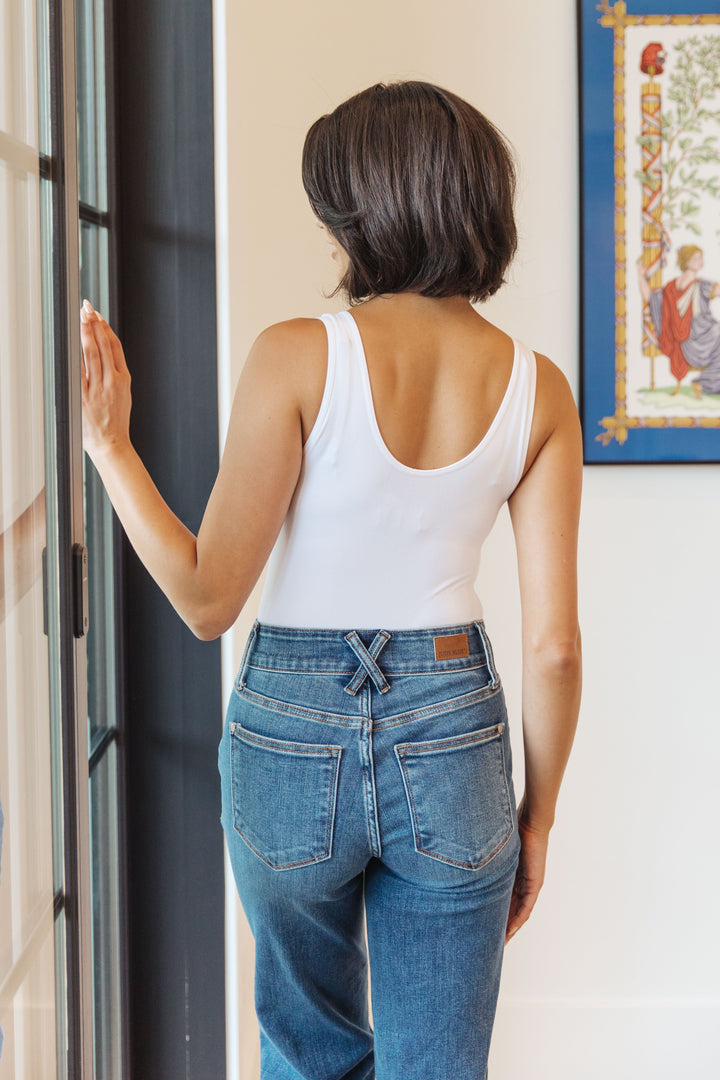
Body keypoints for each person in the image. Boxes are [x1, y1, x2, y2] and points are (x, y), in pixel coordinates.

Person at [80, 80, 582, 1080]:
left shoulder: (296, 357)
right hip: (454, 731)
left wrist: (111, 450)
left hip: (290, 732)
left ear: (363, 208)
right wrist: (538, 817)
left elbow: (207, 599)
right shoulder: (539, 388)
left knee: (307, 1053)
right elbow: (554, 647)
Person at [638, 245, 720, 397]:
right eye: (696, 258)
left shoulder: (670, 287)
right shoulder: (701, 286)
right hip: (699, 341)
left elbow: (649, 297)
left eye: (700, 257)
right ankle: (704, 384)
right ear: (686, 261)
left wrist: (640, 277)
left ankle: (703, 384)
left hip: (684, 344)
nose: (700, 260)